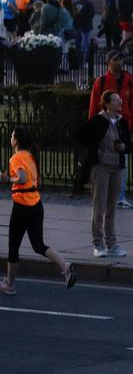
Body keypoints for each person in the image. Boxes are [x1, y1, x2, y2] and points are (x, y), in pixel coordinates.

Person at [0, 127, 75, 296]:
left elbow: (22, 178)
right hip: (36, 204)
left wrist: (6, 179)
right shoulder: (31, 157)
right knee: (39, 245)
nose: (10, 138)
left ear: (16, 141)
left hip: (22, 206)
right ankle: (65, 266)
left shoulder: (16, 157)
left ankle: (10, 284)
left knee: (14, 246)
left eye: (12, 136)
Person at [77, 90, 130, 258]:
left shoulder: (122, 122)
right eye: (116, 100)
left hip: (117, 167)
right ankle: (98, 244)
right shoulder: (99, 120)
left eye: (120, 100)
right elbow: (81, 135)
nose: (120, 103)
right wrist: (97, 149)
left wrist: (123, 147)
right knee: (99, 207)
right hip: (101, 167)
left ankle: (112, 243)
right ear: (107, 104)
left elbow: (127, 142)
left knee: (111, 208)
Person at [88, 49, 133, 208]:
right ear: (108, 62)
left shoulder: (130, 81)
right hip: (105, 127)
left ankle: (120, 195)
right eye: (116, 59)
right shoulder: (101, 81)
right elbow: (93, 106)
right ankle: (106, 194)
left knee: (123, 161)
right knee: (104, 160)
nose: (119, 62)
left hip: (124, 126)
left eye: (121, 59)